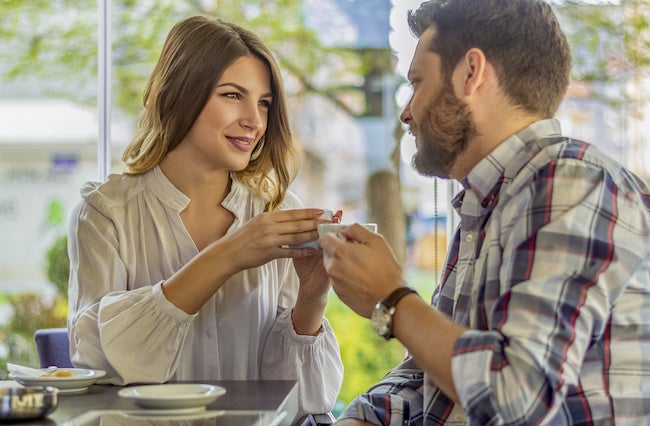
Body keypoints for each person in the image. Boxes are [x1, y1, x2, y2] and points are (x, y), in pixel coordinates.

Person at [320, 0, 650, 424]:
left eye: (417, 83)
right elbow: (434, 377)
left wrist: (392, 298)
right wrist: (360, 419)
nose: (407, 111)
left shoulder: (571, 183)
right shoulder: (493, 201)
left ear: (470, 73)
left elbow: (514, 397)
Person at [67, 15, 343, 423]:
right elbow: (96, 362)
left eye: (264, 103)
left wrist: (313, 296)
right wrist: (228, 255)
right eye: (233, 95)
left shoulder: (277, 215)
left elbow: (303, 403)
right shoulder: (106, 213)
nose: (255, 120)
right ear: (181, 92)